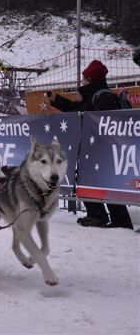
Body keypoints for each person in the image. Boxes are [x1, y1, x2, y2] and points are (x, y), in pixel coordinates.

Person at [48, 59, 133, 229]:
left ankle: (118, 221)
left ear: (91, 80)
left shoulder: (103, 97)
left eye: (85, 79)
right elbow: (77, 110)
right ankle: (97, 215)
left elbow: (98, 121)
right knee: (91, 180)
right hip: (95, 149)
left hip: (102, 149)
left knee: (103, 181)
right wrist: (57, 100)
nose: (82, 82)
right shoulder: (95, 96)